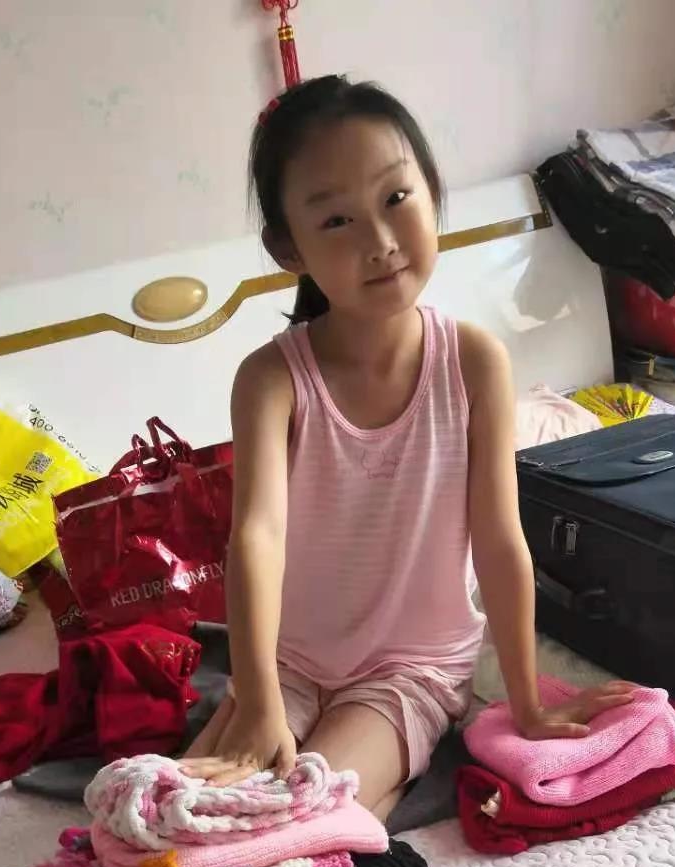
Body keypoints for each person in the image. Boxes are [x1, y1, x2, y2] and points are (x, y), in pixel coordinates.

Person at [184, 75, 633, 818]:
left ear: (431, 192)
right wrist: (258, 700)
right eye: (336, 221)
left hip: (409, 668)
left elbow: (499, 540)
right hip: (287, 664)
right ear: (289, 248)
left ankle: (376, 796)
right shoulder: (270, 378)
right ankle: (368, 790)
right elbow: (255, 539)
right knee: (184, 809)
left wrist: (526, 702)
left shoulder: (474, 361)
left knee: (307, 808)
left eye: (396, 198)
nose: (380, 242)